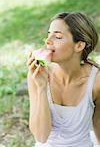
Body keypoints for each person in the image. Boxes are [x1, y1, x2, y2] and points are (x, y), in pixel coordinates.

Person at [27, 12, 100, 147]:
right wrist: (42, 88)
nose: (47, 41)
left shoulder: (96, 81)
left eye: (58, 36)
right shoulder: (37, 75)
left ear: (79, 45)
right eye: (49, 34)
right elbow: (41, 137)